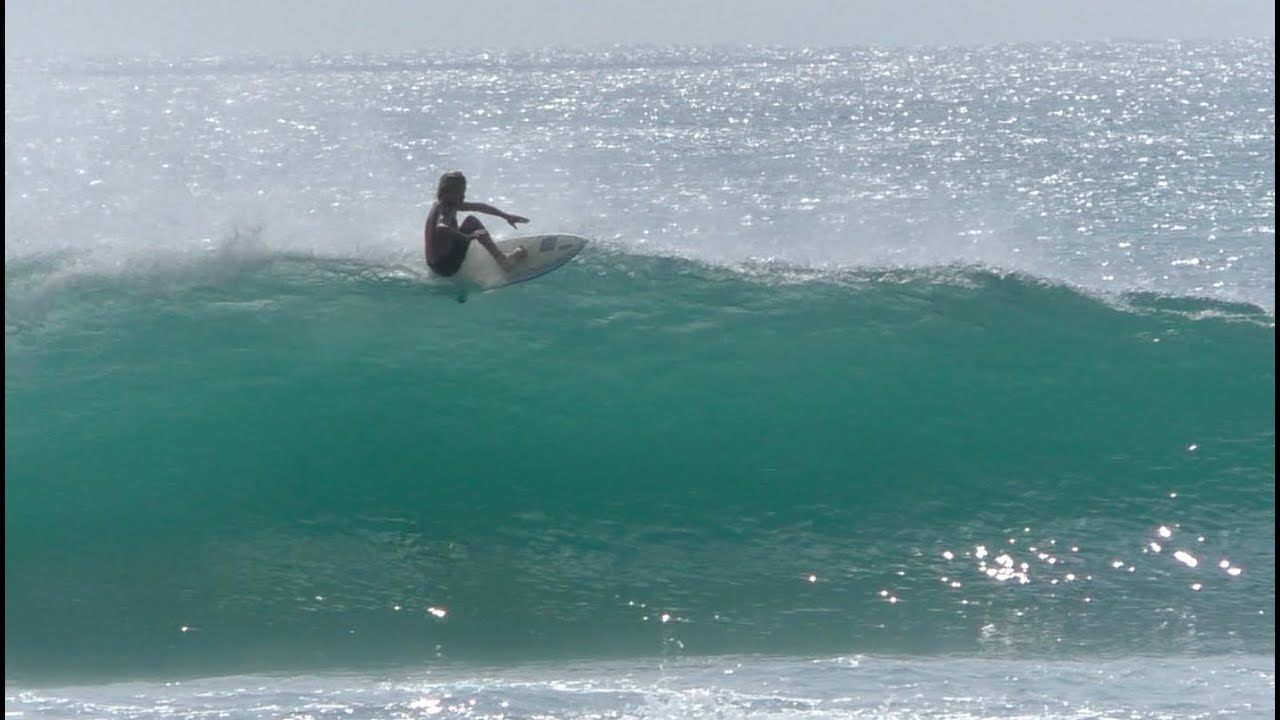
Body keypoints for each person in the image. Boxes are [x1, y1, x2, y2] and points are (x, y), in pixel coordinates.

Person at [424, 171, 529, 278]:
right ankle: (503, 261)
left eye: (463, 191)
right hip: (446, 266)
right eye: (460, 192)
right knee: (471, 221)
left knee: (467, 223)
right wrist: (467, 237)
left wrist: (505, 216)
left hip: (435, 266)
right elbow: (441, 227)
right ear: (447, 192)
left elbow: (479, 207)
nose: (463, 196)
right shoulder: (445, 209)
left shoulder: (443, 204)